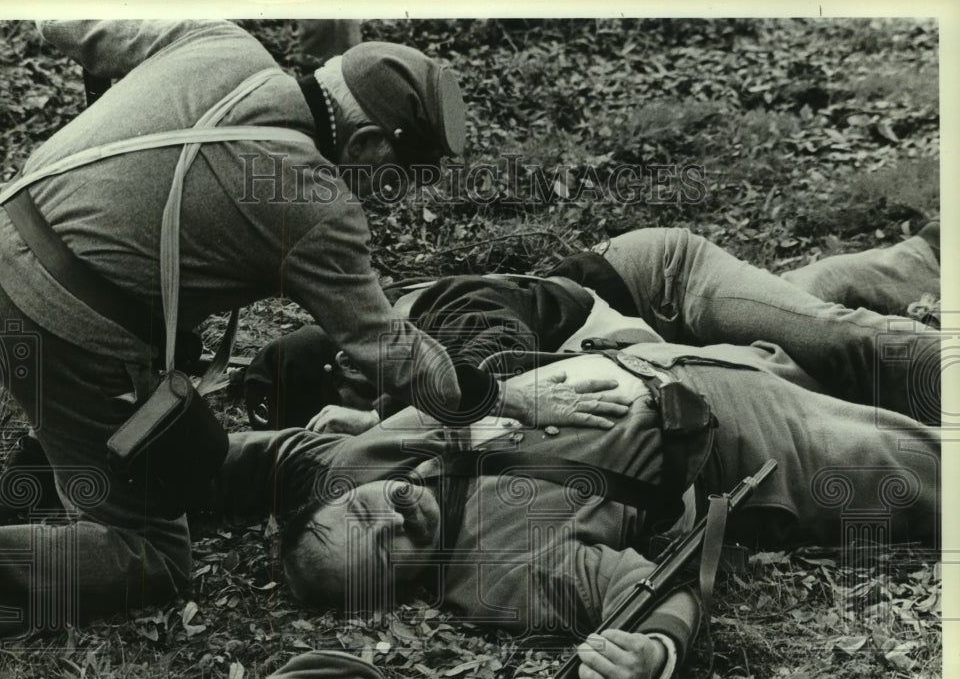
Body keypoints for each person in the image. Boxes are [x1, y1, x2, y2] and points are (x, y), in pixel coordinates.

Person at [0, 20, 624, 635]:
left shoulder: (219, 42)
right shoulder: (315, 206)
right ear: (372, 142)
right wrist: (505, 396)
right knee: (152, 554)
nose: (390, 198)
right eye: (400, 178)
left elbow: (65, 23)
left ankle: (52, 469)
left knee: (152, 434)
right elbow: (389, 349)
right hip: (56, 316)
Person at [214, 336, 940, 679]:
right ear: (398, 588)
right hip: (744, 435)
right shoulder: (500, 574)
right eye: (387, 550)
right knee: (924, 465)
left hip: (660, 344)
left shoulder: (368, 460)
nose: (395, 513)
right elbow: (646, 589)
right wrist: (653, 654)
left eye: (367, 507)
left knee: (880, 348)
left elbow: (248, 454)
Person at [245, 223, 941, 433]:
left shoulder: (437, 314)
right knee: (790, 337)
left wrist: (380, 422)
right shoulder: (410, 342)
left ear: (345, 362)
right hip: (642, 338)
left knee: (833, 340)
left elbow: (496, 369)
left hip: (663, 279)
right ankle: (917, 259)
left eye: (367, 383)